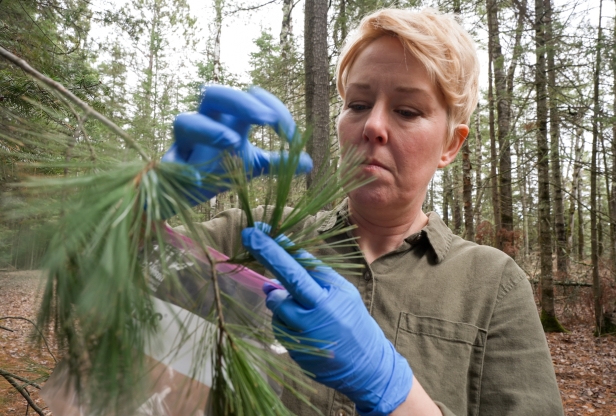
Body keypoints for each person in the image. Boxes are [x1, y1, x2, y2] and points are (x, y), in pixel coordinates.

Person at [162, 8, 564, 416]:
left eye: (407, 111)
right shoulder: (255, 235)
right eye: (357, 104)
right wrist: (145, 198)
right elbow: (111, 301)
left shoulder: (492, 285)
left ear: (450, 145)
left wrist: (393, 390)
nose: (372, 124)